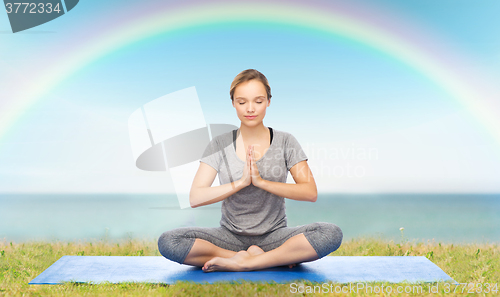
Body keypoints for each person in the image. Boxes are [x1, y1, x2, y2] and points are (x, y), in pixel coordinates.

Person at [158, 69, 342, 272]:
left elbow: (310, 192)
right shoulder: (219, 143)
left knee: (330, 233)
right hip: (229, 237)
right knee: (170, 241)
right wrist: (241, 182)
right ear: (233, 103)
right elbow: (195, 197)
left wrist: (262, 182)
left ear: (269, 102)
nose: (250, 109)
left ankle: (246, 262)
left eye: (258, 101)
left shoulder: (286, 141)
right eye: (242, 102)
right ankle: (260, 259)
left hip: (275, 236)